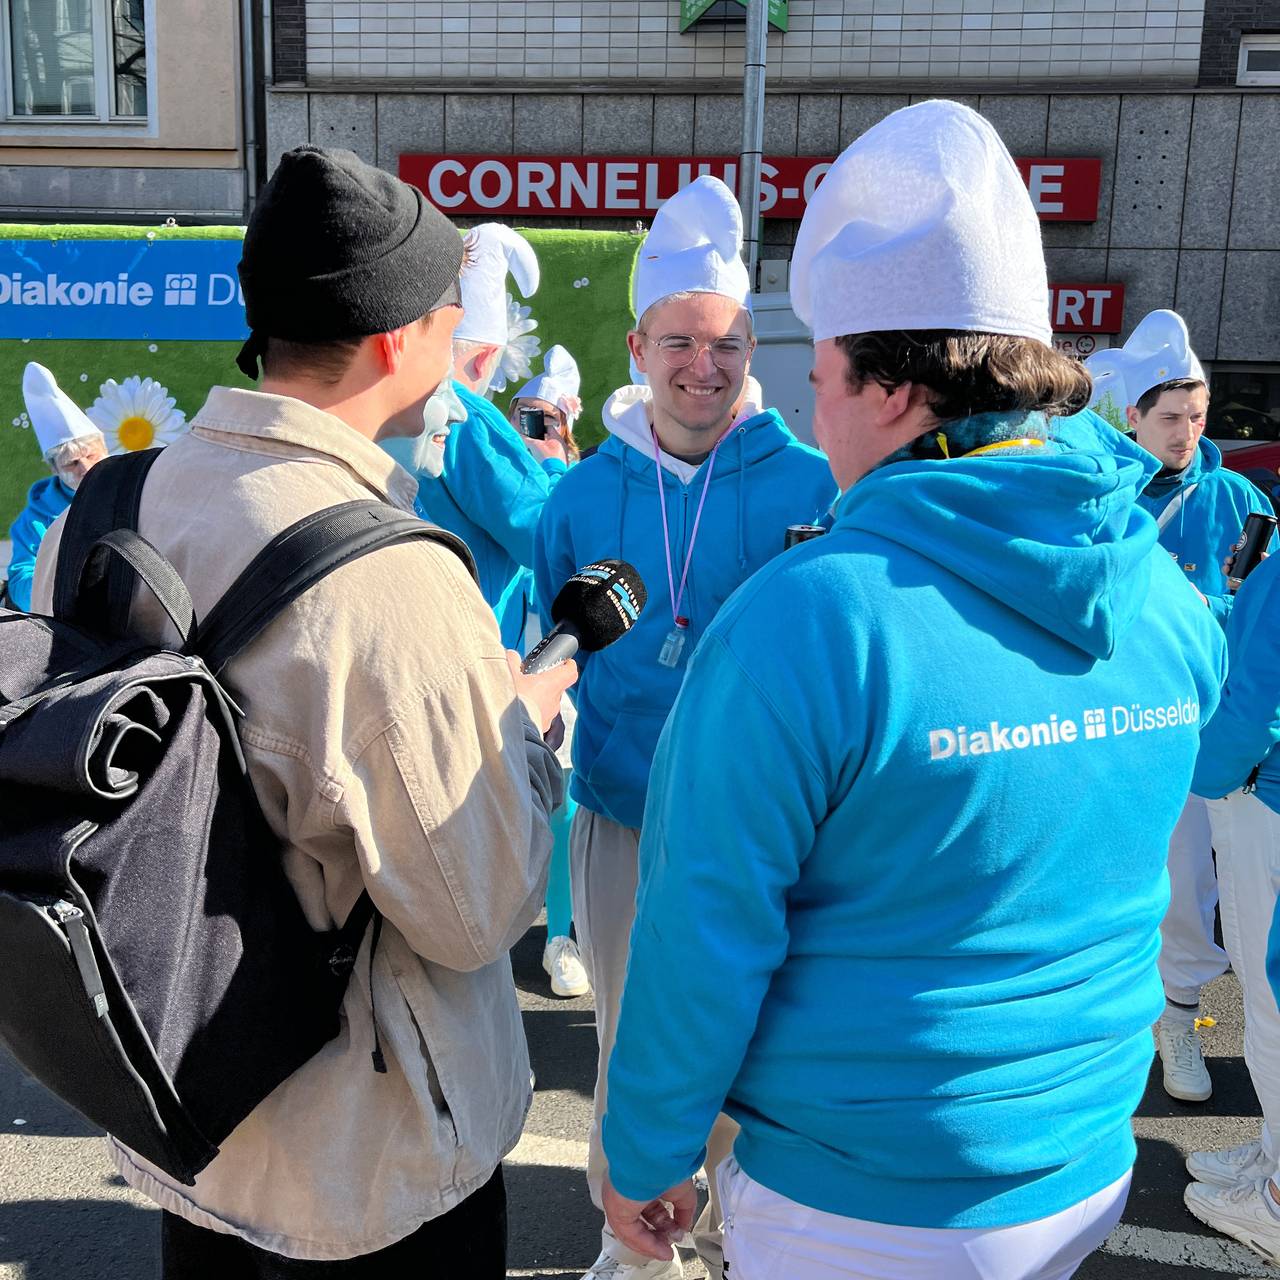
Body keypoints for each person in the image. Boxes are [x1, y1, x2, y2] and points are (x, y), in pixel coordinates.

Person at [598, 101, 1225, 1280]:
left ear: (889, 391)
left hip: (864, 1197)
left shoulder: (808, 618)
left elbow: (701, 935)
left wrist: (642, 1154)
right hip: (1084, 1149)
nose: (804, 403)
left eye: (820, 373)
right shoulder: (1155, 586)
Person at [32, 145, 573, 1278]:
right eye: (446, 311)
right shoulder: (390, 577)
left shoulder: (111, 507)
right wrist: (521, 726)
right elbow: (471, 911)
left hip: (186, 1110)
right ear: (394, 339)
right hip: (366, 1169)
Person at [534, 174, 837, 1280]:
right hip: (623, 813)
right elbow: (553, 650)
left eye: (722, 343)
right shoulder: (576, 498)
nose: (700, 366)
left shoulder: (811, 482)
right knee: (627, 1037)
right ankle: (631, 1233)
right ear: (636, 344)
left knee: (750, 1040)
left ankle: (714, 1228)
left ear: (751, 346)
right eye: (677, 341)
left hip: (768, 830)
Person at [1086, 312, 1276, 1105]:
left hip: (1203, 722)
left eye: (1197, 416)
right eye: (1171, 417)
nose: (1188, 432)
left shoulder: (1238, 496)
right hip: (1108, 722)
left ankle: (1182, 1019)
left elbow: (1258, 614)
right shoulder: (1097, 492)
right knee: (1106, 878)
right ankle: (1107, 1018)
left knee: (1195, 883)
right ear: (1131, 414)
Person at [383, 222, 567, 652]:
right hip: (476, 648)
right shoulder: (474, 418)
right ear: (486, 358)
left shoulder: (395, 397)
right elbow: (545, 535)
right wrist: (554, 463)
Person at [1183, 550, 1280, 1255]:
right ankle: (1275, 1156)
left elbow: (1257, 701)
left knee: (1270, 1004)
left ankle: (1276, 1202)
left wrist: (1205, 776)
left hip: (1265, 801)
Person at [510, 343, 590, 999]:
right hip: (509, 664)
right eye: (520, 417)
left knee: (566, 810)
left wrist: (558, 461)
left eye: (541, 418)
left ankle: (561, 937)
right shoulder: (486, 474)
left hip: (568, 668)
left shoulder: (579, 482)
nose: (527, 430)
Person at [5, 362, 107, 611]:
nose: (85, 468)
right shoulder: (34, 521)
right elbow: (20, 584)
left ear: (105, 450)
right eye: (72, 463)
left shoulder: (132, 491)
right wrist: (69, 589)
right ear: (55, 469)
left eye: (91, 455)